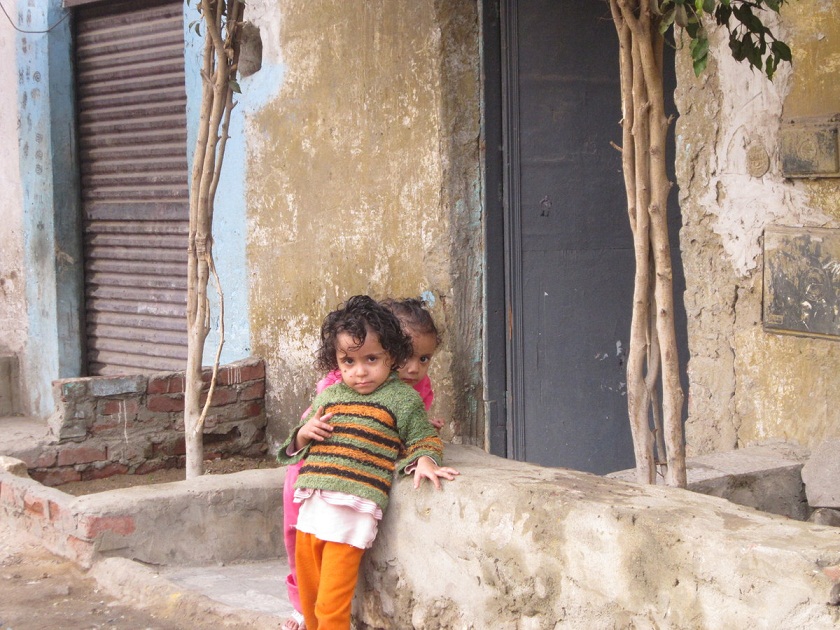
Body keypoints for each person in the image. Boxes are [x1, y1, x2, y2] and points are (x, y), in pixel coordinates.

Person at [277, 295, 458, 630]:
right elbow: (299, 440)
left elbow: (420, 435)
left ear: (391, 353)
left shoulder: (403, 397)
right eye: (348, 361)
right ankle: (301, 611)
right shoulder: (331, 392)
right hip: (310, 498)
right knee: (311, 591)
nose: (359, 371)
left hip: (351, 507)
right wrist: (302, 434)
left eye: (371, 359)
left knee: (331, 605)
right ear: (336, 361)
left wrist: (424, 458)